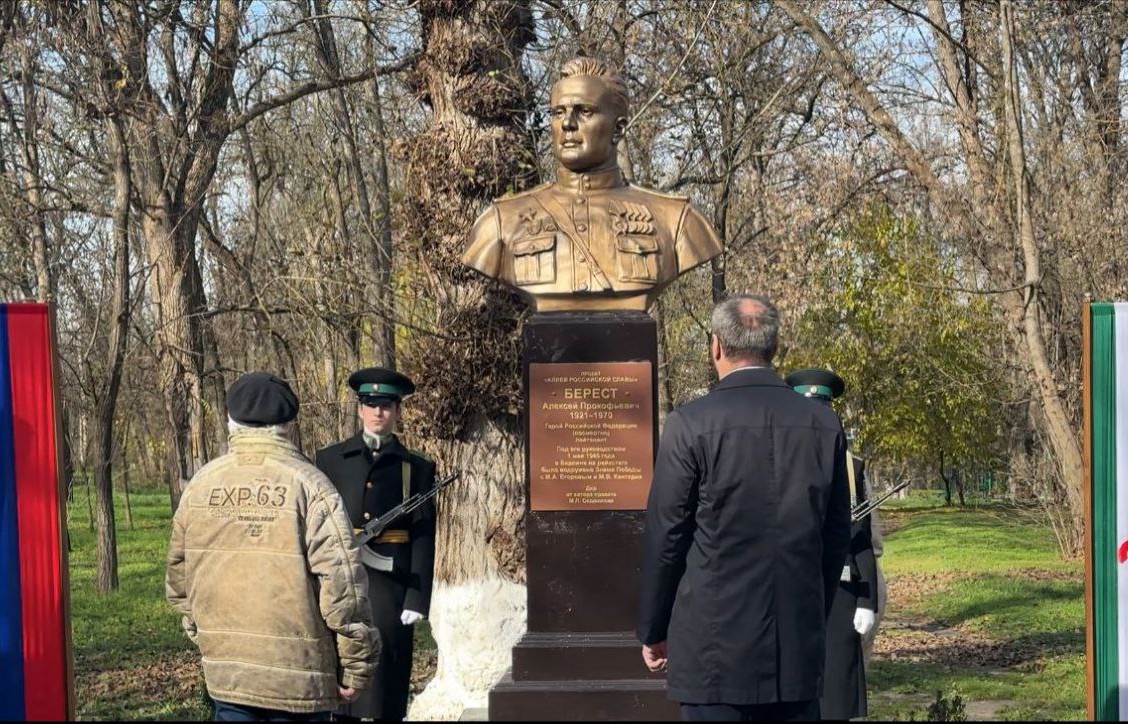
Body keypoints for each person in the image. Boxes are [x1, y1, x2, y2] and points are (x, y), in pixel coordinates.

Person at [637, 295, 852, 722]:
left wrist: (653, 628)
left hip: (713, 653)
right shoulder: (823, 423)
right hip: (794, 649)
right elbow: (835, 536)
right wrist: (812, 615)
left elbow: (667, 535)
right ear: (774, 347)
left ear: (716, 346)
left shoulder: (690, 423)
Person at [166, 372, 380, 722]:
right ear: (288, 425)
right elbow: (342, 586)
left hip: (228, 674)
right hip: (299, 679)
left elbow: (179, 579)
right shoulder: (311, 486)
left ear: (230, 421)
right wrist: (357, 664)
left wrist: (205, 635)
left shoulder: (201, 485)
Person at [463, 56, 722, 312]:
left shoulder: (677, 221)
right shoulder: (501, 222)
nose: (567, 123)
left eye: (585, 111)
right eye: (558, 112)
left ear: (618, 129)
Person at [315, 367, 437, 721]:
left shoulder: (416, 467)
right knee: (343, 672)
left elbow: (423, 534)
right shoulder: (330, 460)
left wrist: (417, 597)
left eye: (386, 405)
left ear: (398, 410)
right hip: (342, 580)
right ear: (359, 409)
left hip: (392, 584)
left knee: (389, 676)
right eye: (371, 404)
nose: (378, 412)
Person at [785, 368, 879, 720]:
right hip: (791, 588)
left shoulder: (853, 468)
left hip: (841, 591)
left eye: (823, 412)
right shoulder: (780, 460)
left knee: (837, 692)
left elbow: (862, 536)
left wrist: (867, 599)